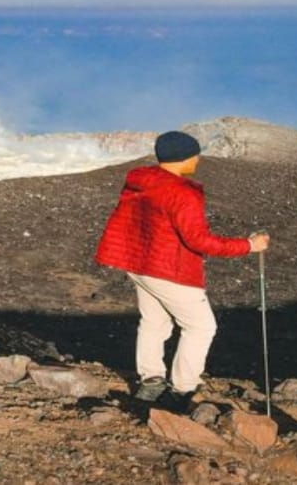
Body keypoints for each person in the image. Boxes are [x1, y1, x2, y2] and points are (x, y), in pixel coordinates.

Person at [95, 130, 270, 405]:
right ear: (183, 157)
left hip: (137, 262)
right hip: (169, 268)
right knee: (201, 327)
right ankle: (182, 389)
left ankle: (151, 381)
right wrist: (249, 245)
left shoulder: (140, 181)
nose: (198, 159)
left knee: (154, 322)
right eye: (195, 154)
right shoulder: (182, 192)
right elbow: (198, 240)